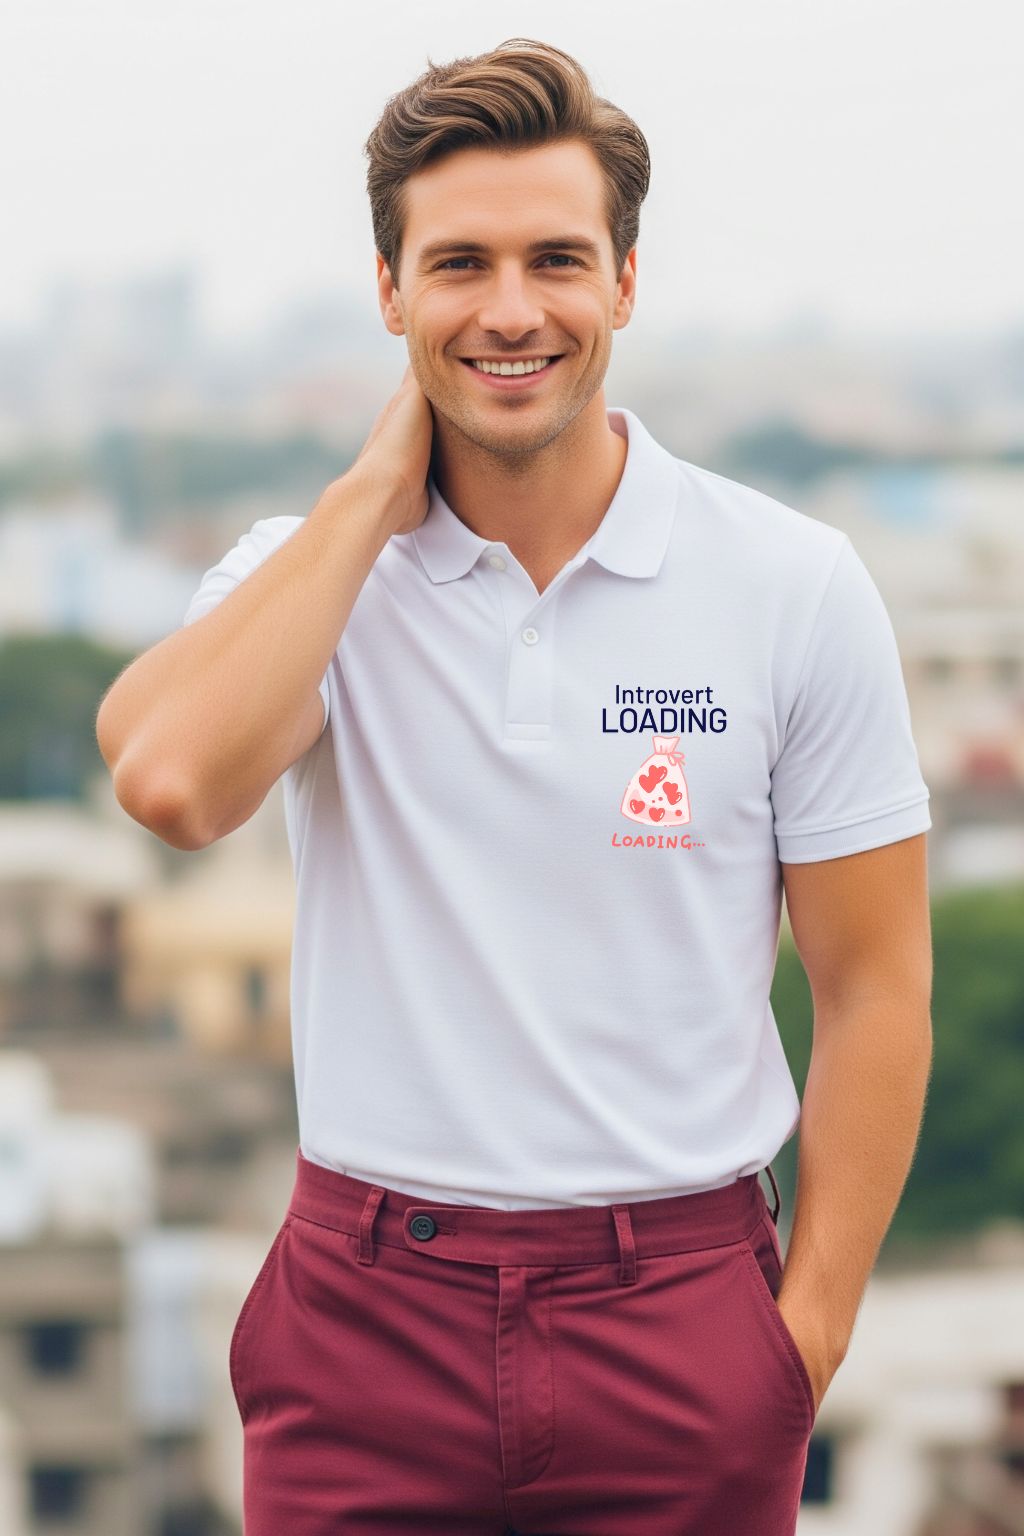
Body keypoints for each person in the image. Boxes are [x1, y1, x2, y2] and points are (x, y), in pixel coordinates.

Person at [96, 35, 934, 1536]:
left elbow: (874, 987)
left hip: (678, 1309)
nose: (509, 310)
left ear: (623, 281)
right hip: (365, 1316)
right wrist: (368, 498)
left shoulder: (790, 585)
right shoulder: (313, 578)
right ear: (390, 294)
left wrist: (800, 1339)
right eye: (458, 263)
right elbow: (168, 783)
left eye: (556, 259)